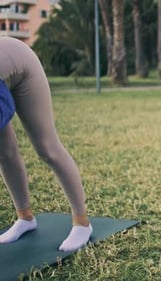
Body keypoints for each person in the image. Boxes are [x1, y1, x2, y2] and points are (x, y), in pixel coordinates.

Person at [0, 37, 92, 251]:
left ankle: (82, 222)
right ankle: (25, 218)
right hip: (4, 74)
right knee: (5, 153)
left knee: (47, 148)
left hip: (23, 66)